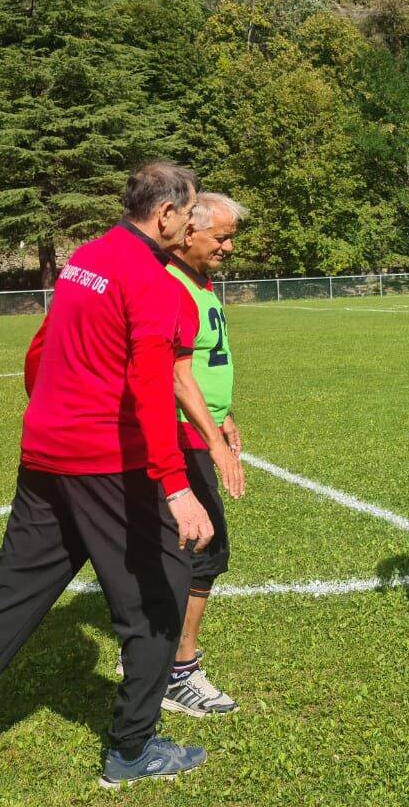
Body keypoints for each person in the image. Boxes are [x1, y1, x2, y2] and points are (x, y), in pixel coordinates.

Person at [0, 163, 217, 793]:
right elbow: (152, 386)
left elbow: (40, 350)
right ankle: (133, 749)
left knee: (7, 595)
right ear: (166, 214)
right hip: (106, 463)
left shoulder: (86, 258)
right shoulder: (152, 280)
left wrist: (50, 417)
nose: (193, 221)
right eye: (190, 210)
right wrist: (176, 487)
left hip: (45, 454)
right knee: (160, 592)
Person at [159, 192, 250, 716]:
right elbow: (174, 375)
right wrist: (213, 440)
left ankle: (148, 652)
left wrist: (223, 413)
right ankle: (177, 670)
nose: (228, 247)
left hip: (199, 426)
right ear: (188, 232)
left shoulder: (200, 281)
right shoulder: (169, 284)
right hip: (178, 435)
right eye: (221, 237)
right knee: (202, 548)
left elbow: (204, 360)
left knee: (181, 549)